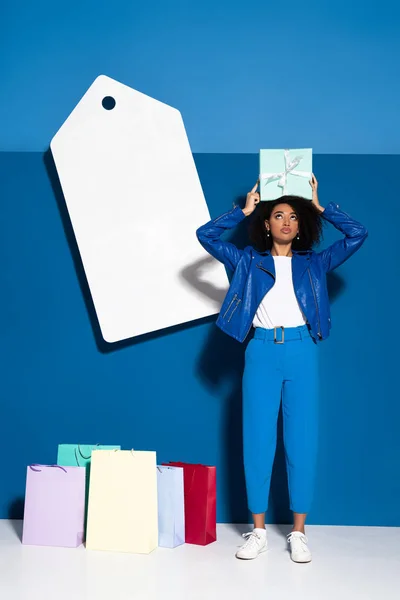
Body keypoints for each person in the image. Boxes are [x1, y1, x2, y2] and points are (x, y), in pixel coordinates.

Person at [196, 175, 368, 562]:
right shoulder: (247, 260)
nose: (287, 221)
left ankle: (298, 532)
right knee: (257, 440)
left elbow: (358, 234)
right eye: (278, 215)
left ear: (300, 224)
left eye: (293, 215)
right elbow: (206, 236)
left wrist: (323, 207)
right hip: (260, 351)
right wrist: (242, 210)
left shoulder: (316, 262)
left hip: (302, 351)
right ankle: (257, 531)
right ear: (266, 223)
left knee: (301, 441)